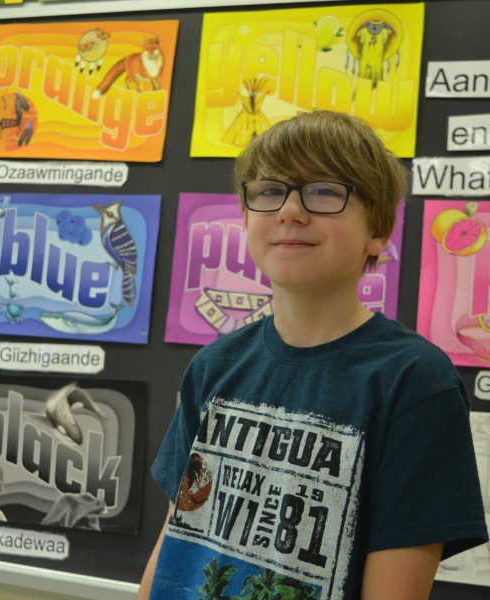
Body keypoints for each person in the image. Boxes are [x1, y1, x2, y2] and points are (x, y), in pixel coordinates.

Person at [138, 110, 489, 599]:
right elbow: (177, 540)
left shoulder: (413, 381)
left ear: (379, 232)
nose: (289, 210)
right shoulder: (214, 366)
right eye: (268, 191)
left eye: (324, 191)